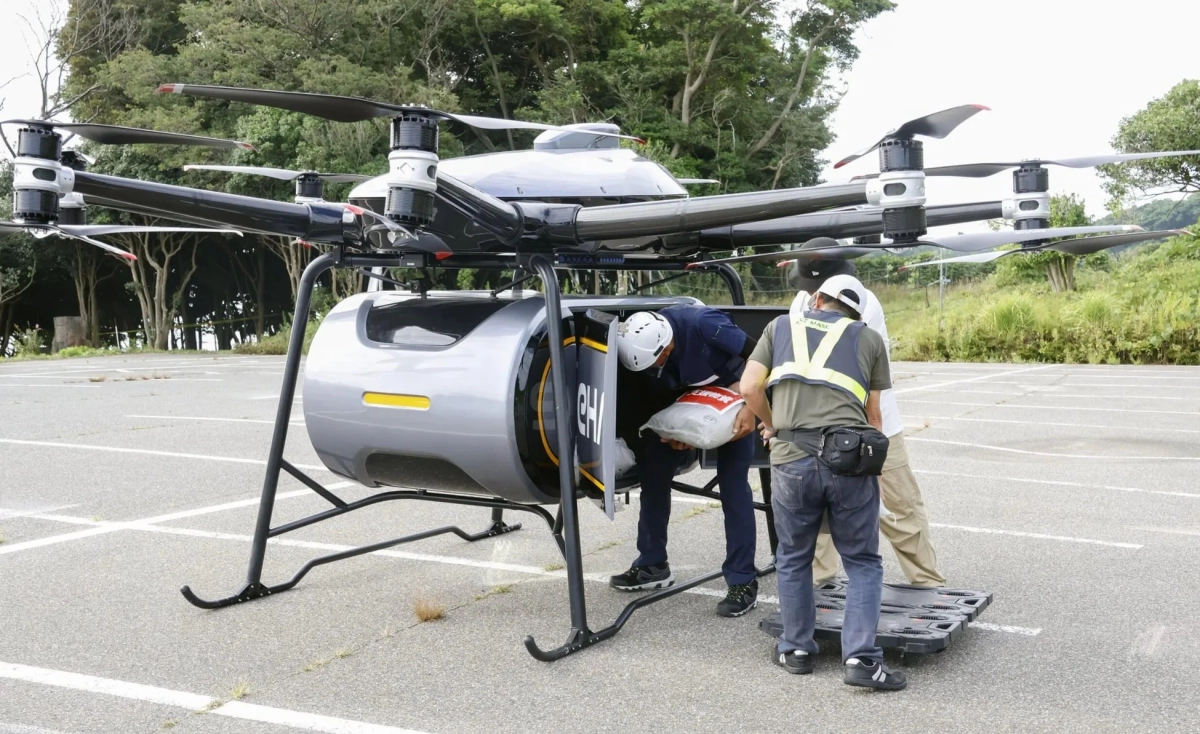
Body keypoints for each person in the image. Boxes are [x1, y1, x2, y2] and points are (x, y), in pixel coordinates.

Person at [740, 274, 907, 690]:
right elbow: (874, 418)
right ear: (858, 312)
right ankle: (861, 662)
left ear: (817, 298)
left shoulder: (779, 327)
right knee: (863, 562)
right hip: (849, 460)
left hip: (791, 459)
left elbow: (748, 387)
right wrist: (877, 473)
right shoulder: (868, 339)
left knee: (795, 556)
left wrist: (772, 425)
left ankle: (795, 649)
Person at [787, 260, 945, 588]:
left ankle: (927, 580)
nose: (812, 293)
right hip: (818, 425)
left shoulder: (864, 304)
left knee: (899, 504)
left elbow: (853, 369)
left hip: (874, 423)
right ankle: (818, 580)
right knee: (817, 510)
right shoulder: (800, 301)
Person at [610, 305, 761, 617]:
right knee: (653, 476)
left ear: (668, 343)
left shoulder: (703, 324)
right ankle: (652, 564)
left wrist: (750, 404)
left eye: (660, 359)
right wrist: (678, 432)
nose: (657, 367)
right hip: (685, 407)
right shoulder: (642, 351)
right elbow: (657, 394)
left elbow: (762, 355)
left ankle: (743, 580)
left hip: (734, 400)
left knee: (733, 488)